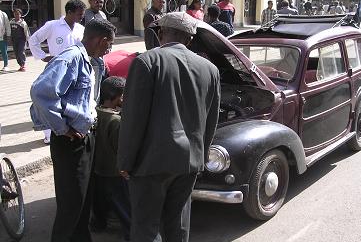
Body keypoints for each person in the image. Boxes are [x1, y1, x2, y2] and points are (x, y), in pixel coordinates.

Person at [117, 12, 220, 242]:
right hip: (188, 161)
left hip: (150, 162)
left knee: (146, 226)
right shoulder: (210, 69)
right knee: (178, 223)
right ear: (190, 40)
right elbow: (210, 120)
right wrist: (201, 157)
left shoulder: (147, 61)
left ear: (161, 33)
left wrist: (125, 161)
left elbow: (133, 119)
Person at [30, 19, 116, 242]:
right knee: (71, 204)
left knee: (83, 199)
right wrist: (62, 127)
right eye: (109, 45)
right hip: (70, 141)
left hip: (85, 136)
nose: (109, 50)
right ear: (101, 40)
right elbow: (41, 92)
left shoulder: (89, 60)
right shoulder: (71, 57)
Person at [29, 0, 86, 144]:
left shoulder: (80, 29)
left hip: (74, 72)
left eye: (82, 14)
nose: (81, 17)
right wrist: (42, 56)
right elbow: (33, 40)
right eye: (79, 14)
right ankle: (48, 133)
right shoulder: (53, 26)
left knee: (68, 101)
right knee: (50, 100)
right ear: (69, 12)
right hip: (56, 71)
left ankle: (68, 127)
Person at [93, 76, 130, 241]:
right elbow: (120, 149)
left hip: (98, 168)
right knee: (123, 205)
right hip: (115, 172)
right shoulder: (116, 121)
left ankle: (98, 224)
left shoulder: (95, 112)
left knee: (100, 201)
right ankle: (131, 233)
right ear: (118, 96)